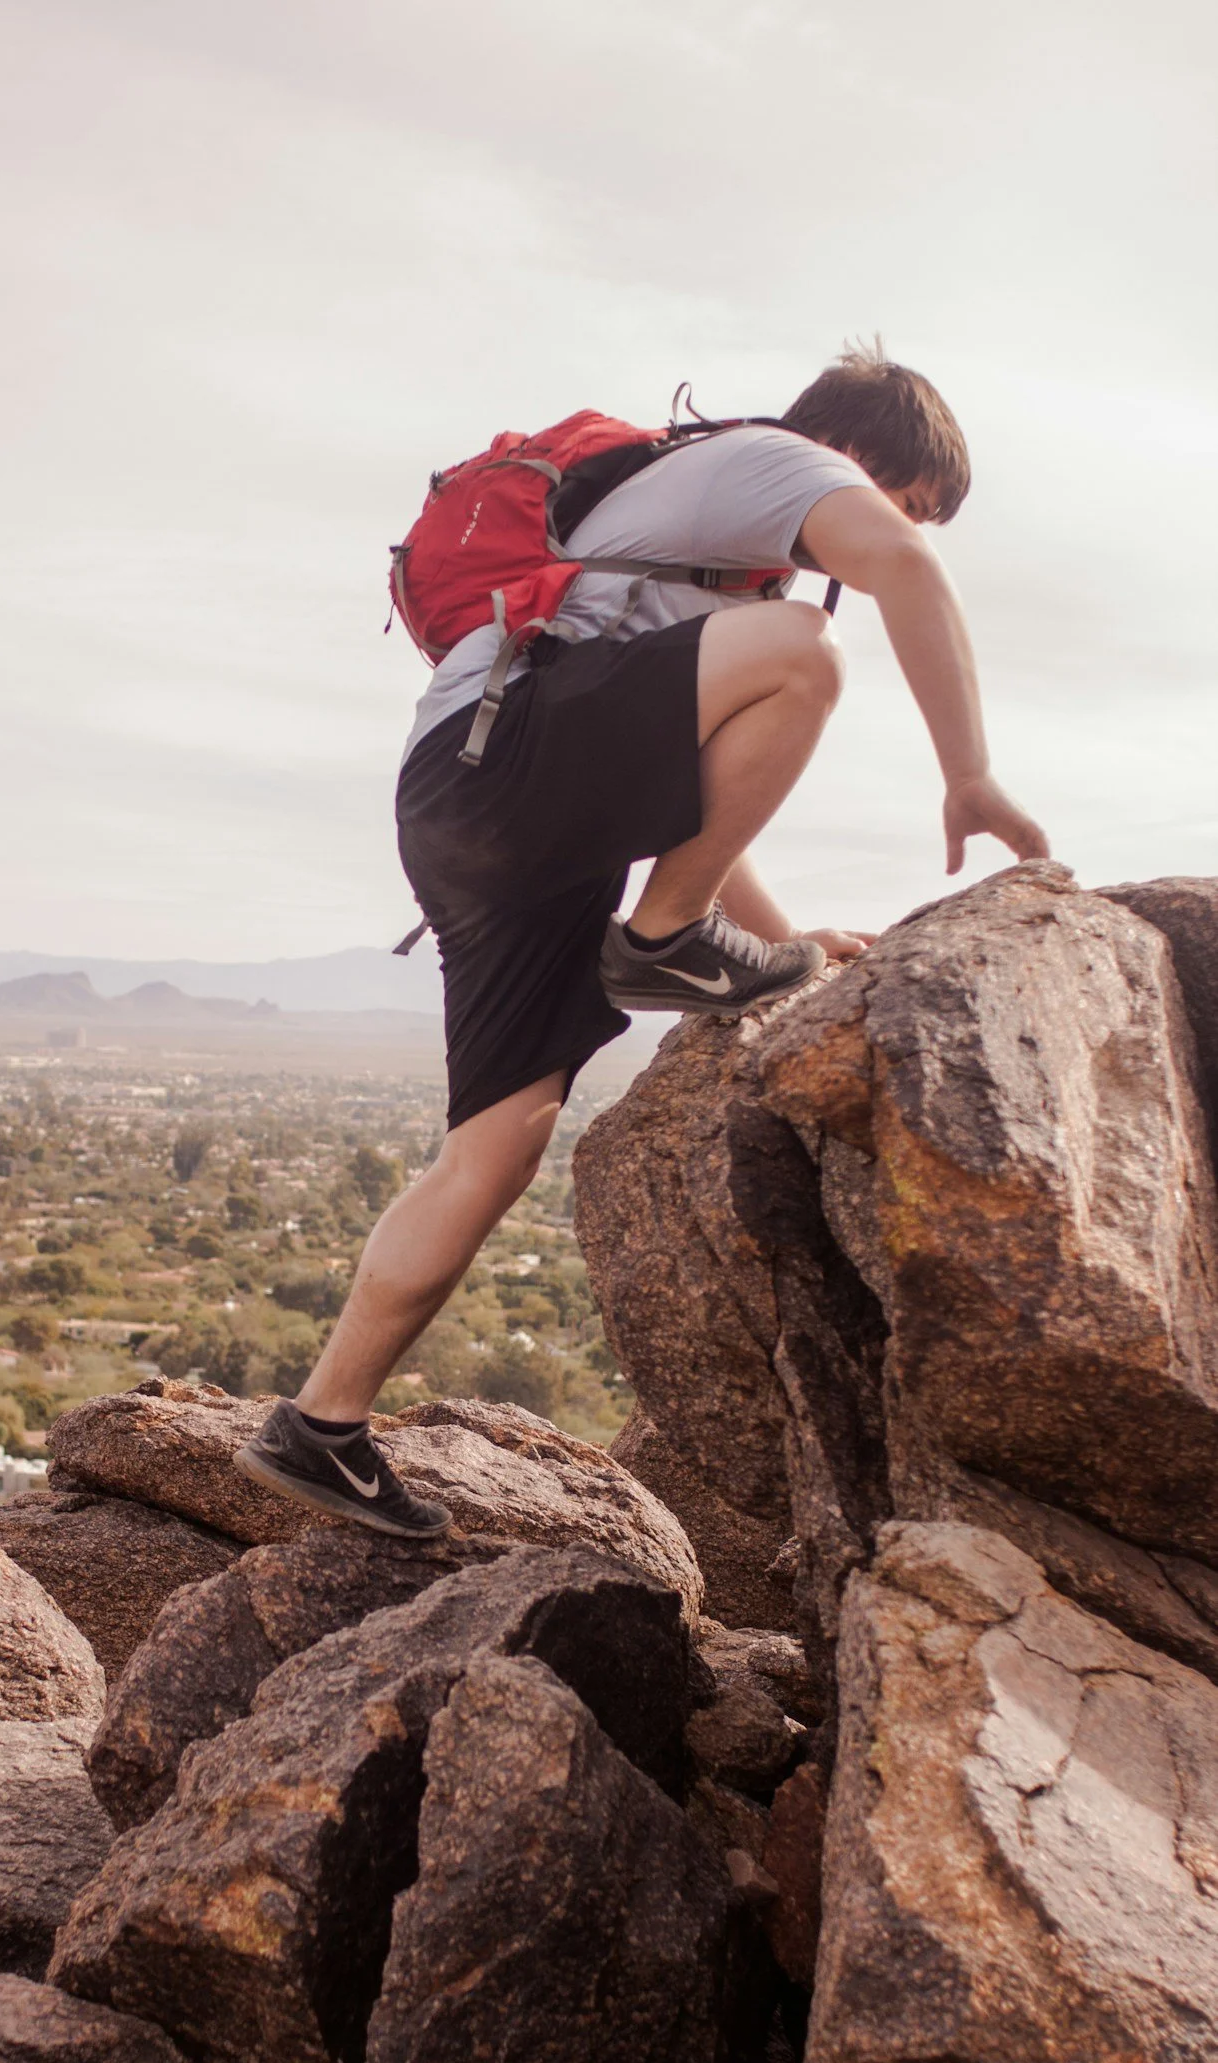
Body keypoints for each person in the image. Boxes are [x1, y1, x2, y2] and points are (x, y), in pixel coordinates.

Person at [236, 347, 1049, 1535]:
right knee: (808, 653)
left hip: (475, 813)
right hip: (513, 764)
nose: (889, 525)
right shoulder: (779, 463)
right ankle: (664, 936)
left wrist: (795, 948)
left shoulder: (708, 574)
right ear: (867, 459)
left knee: (495, 1147)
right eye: (905, 499)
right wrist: (967, 774)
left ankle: (319, 1427)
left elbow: (706, 790)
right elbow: (899, 572)